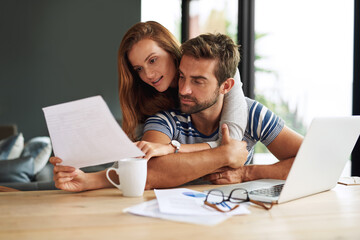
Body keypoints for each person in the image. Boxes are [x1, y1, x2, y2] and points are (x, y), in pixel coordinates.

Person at [50, 33, 303, 192]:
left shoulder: (249, 111)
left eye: (198, 81)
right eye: (182, 77)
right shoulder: (164, 116)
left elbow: (313, 161)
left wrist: (248, 172)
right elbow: (146, 174)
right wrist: (224, 153)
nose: (184, 89)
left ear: (226, 85)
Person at [117, 21, 248, 156]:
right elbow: (139, 155)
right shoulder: (145, 99)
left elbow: (231, 142)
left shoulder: (215, 68)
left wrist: (173, 148)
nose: (148, 75)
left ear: (171, 50)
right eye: (139, 69)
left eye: (152, 60)